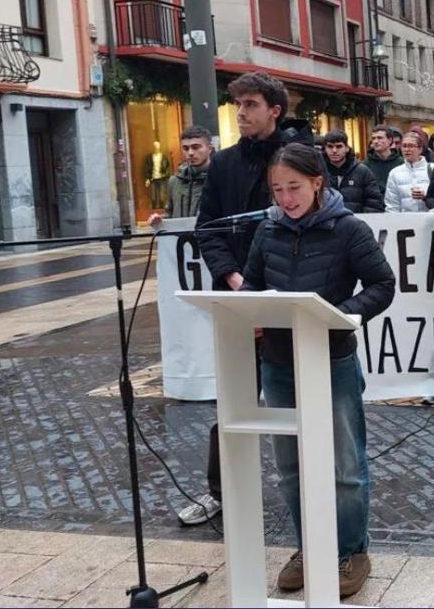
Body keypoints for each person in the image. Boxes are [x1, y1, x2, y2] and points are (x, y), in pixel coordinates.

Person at [242, 143, 395, 597]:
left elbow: (383, 285)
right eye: (277, 190)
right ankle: (309, 545)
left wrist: (340, 313)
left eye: (294, 188)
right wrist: (249, 309)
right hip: (279, 361)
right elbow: (252, 281)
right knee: (289, 466)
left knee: (345, 464)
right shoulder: (266, 230)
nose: (286, 198)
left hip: (332, 359)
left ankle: (350, 550)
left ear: (317, 183)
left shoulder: (349, 230)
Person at [187, 72, 311, 526]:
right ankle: (221, 491)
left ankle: (310, 482)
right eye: (237, 104)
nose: (241, 113)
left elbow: (310, 229)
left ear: (274, 110)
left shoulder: (296, 158)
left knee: (300, 398)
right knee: (233, 401)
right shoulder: (222, 165)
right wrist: (237, 283)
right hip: (239, 301)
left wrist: (272, 295)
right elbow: (209, 229)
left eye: (251, 104)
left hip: (289, 301)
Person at [148, 125, 212, 228]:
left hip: (210, 240)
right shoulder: (174, 182)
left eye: (196, 147)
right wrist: (159, 220)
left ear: (209, 148)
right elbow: (170, 214)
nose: (190, 153)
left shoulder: (220, 179)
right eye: (185, 148)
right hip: (181, 241)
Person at [322, 130, 384, 214]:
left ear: (347, 148)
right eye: (330, 146)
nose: (334, 150)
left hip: (356, 222)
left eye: (339, 146)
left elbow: (374, 203)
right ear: (325, 149)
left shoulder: (362, 171)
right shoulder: (318, 171)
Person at [384, 132, 434, 212]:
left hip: (430, 220)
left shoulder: (433, 169)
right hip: (405, 222)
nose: (407, 150)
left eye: (411, 146)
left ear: (420, 149)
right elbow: (392, 206)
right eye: (404, 146)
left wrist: (426, 196)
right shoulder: (394, 173)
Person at [364, 126, 403, 192]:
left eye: (380, 138)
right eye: (373, 138)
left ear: (390, 140)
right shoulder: (366, 165)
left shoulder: (401, 163)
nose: (376, 141)